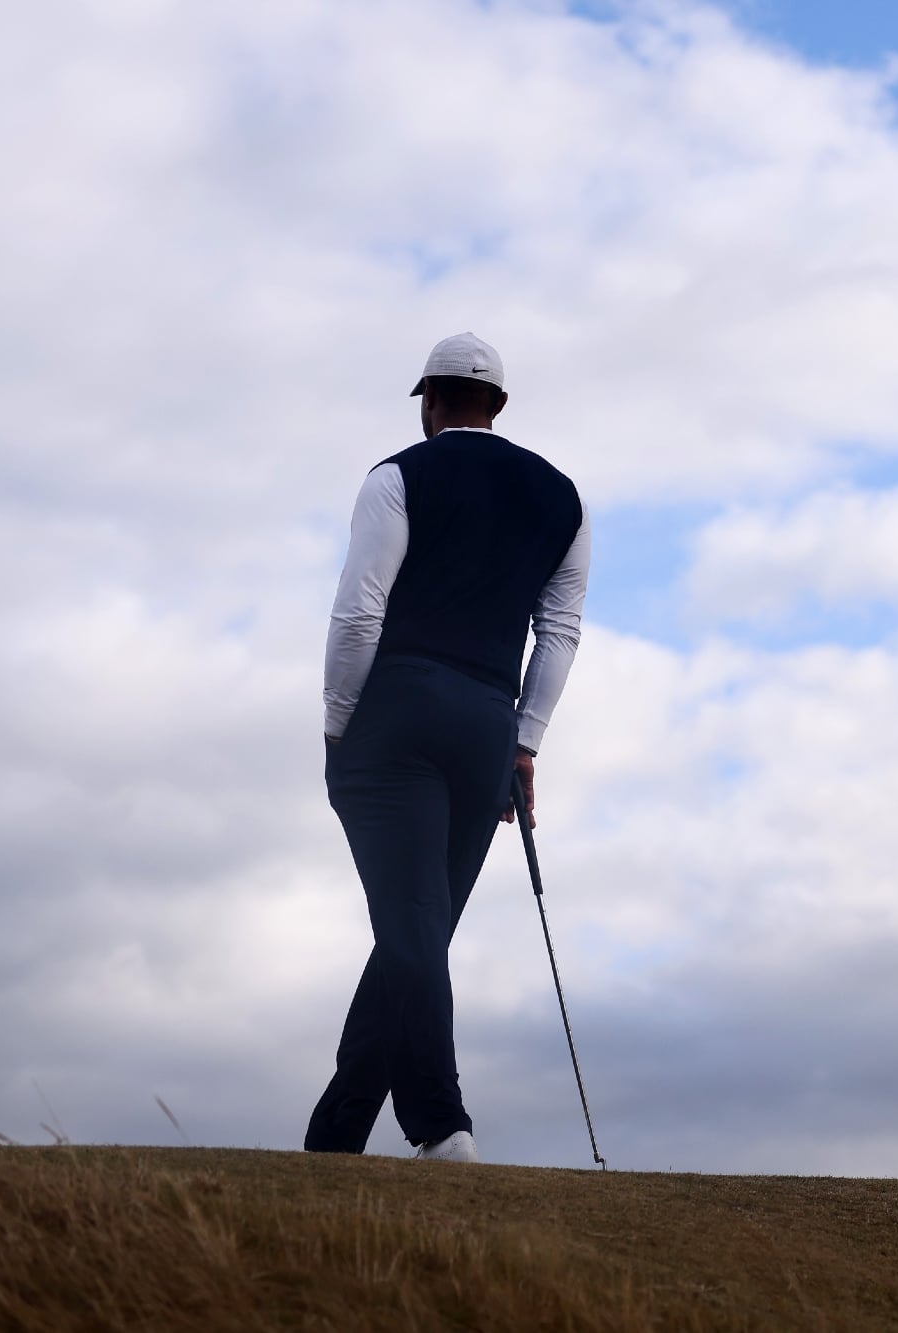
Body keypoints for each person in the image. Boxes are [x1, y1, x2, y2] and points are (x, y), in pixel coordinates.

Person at [305, 332, 590, 1163]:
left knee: (412, 925)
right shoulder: (563, 498)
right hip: (487, 726)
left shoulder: (397, 474)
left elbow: (360, 612)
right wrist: (524, 742)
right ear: (497, 405)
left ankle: (439, 1125)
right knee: (416, 930)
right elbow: (560, 634)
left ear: (430, 401)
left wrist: (337, 721)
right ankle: (336, 1137)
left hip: (396, 710)